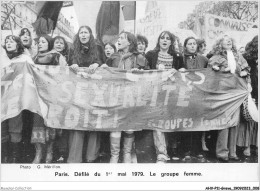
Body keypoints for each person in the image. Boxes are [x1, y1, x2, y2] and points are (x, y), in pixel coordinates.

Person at [102, 31, 148, 163]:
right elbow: (106, 75)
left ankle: (127, 154)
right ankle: (114, 156)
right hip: (115, 97)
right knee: (115, 127)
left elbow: (148, 77)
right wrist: (103, 68)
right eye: (119, 38)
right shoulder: (113, 57)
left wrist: (141, 73)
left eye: (122, 38)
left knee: (129, 128)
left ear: (130, 42)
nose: (119, 40)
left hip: (132, 98)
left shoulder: (139, 58)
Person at [208, 35, 250, 162]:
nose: (229, 41)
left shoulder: (238, 56)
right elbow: (211, 72)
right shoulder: (216, 57)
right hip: (223, 94)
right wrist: (219, 69)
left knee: (235, 123)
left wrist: (245, 71)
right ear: (220, 44)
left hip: (236, 93)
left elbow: (246, 68)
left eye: (230, 40)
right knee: (224, 123)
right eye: (226, 40)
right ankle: (222, 153)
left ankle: (232, 152)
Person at [145, 31, 184, 163]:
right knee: (158, 123)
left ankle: (172, 150)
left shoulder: (178, 56)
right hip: (155, 94)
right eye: (162, 38)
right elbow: (145, 72)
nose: (165, 40)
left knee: (171, 122)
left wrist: (178, 71)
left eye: (168, 38)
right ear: (159, 40)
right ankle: (161, 154)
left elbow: (184, 73)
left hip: (173, 94)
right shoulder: (150, 55)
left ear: (171, 42)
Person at [67, 25, 103, 163]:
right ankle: (75, 158)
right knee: (78, 123)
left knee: (93, 123)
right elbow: (71, 63)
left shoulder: (98, 48)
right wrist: (73, 65)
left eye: (85, 32)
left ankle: (91, 156)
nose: (83, 35)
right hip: (78, 92)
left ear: (90, 35)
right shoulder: (73, 49)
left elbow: (103, 63)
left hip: (95, 92)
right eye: (81, 32)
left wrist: (97, 64)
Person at [31, 34, 67, 163]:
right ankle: (39, 153)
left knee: (51, 124)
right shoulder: (33, 58)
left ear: (49, 44)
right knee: (38, 123)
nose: (40, 44)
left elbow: (65, 74)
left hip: (53, 96)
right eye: (39, 42)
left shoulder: (57, 56)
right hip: (38, 96)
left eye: (43, 42)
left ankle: (50, 152)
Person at [2, 35, 34, 163]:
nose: (8, 43)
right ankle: (4, 154)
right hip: (2, 96)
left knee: (15, 124)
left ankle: (15, 156)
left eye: (12, 41)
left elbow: (32, 73)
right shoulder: (2, 58)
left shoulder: (25, 59)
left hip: (17, 97)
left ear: (18, 44)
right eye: (6, 41)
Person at [180, 36, 208, 162]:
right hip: (185, 94)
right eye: (189, 43)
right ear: (185, 46)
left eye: (194, 44)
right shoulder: (180, 58)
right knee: (185, 123)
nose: (192, 46)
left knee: (197, 123)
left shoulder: (203, 59)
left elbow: (210, 74)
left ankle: (197, 150)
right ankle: (186, 150)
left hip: (199, 95)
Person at [237, 36, 258, 158]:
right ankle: (247, 145)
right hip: (251, 89)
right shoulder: (247, 57)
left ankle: (255, 144)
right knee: (249, 117)